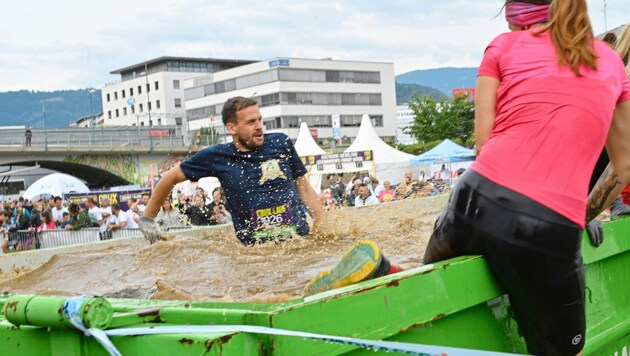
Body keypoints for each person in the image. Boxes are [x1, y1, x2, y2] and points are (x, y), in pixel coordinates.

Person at [305, 2, 630, 355]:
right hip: (544, 226)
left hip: (473, 199)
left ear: (517, 19)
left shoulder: (502, 47)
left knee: (429, 283)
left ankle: (383, 270)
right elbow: (623, 166)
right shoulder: (610, 62)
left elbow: (483, 144)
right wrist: (579, 217)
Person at [139, 96, 323, 245]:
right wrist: (148, 219)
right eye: (251, 122)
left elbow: (304, 188)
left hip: (299, 242)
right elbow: (169, 178)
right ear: (232, 128)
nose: (259, 126)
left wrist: (325, 227)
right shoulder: (218, 157)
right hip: (255, 253)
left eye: (259, 119)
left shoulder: (280, 143)